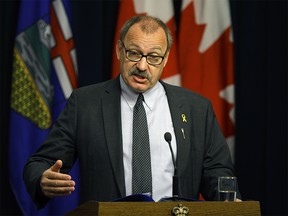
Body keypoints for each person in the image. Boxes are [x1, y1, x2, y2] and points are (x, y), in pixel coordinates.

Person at [23, 15, 241, 208]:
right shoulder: (85, 103)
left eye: (154, 57)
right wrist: (42, 179)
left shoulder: (196, 108)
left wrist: (232, 203)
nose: (143, 66)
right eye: (134, 53)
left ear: (165, 59)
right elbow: (40, 163)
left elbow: (218, 175)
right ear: (120, 50)